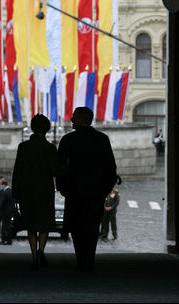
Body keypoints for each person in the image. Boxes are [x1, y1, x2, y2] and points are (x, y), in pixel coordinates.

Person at [56, 106, 117, 271]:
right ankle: (89, 260)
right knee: (92, 228)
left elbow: (60, 167)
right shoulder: (102, 139)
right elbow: (111, 168)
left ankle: (81, 260)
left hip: (74, 193)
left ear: (83, 119)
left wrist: (61, 188)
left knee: (77, 229)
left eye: (74, 116)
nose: (71, 119)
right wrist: (104, 190)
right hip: (95, 194)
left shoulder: (68, 140)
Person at [12, 114, 62, 270]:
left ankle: (34, 255)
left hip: (27, 192)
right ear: (47, 129)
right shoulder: (50, 148)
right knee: (44, 224)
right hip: (45, 191)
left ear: (32, 128)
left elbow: (17, 171)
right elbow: (55, 171)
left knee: (31, 225)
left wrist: (16, 193)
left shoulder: (23, 147)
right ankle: (41, 250)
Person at [0, 180, 14, 245]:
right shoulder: (11, 191)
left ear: (4, 185)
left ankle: (4, 240)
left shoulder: (5, 192)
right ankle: (9, 240)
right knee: (9, 226)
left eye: (1, 185)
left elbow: (1, 203)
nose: (1, 187)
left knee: (4, 226)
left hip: (5, 212)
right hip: (10, 212)